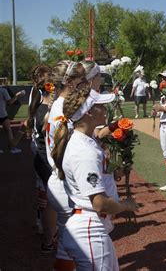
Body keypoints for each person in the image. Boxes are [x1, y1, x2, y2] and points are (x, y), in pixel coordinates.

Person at [52, 87, 138, 269]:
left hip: (90, 225)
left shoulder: (85, 140)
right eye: (100, 105)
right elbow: (99, 202)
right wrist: (126, 206)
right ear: (89, 112)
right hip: (89, 228)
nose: (105, 108)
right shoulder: (84, 150)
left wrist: (116, 170)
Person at [45, 60, 87, 269]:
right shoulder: (63, 107)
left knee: (68, 245)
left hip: (59, 179)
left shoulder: (58, 105)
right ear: (69, 82)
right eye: (82, 80)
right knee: (71, 247)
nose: (85, 84)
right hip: (64, 182)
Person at [25, 64, 57, 253]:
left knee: (47, 197)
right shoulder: (46, 110)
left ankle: (46, 232)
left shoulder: (38, 104)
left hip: (41, 157)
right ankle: (49, 238)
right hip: (45, 159)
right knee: (54, 203)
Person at [0, 80, 25, 154]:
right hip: (2, 114)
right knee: (8, 131)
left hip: (3, 114)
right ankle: (12, 148)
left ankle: (12, 147)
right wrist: (17, 96)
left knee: (8, 130)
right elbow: (10, 102)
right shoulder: (2, 90)